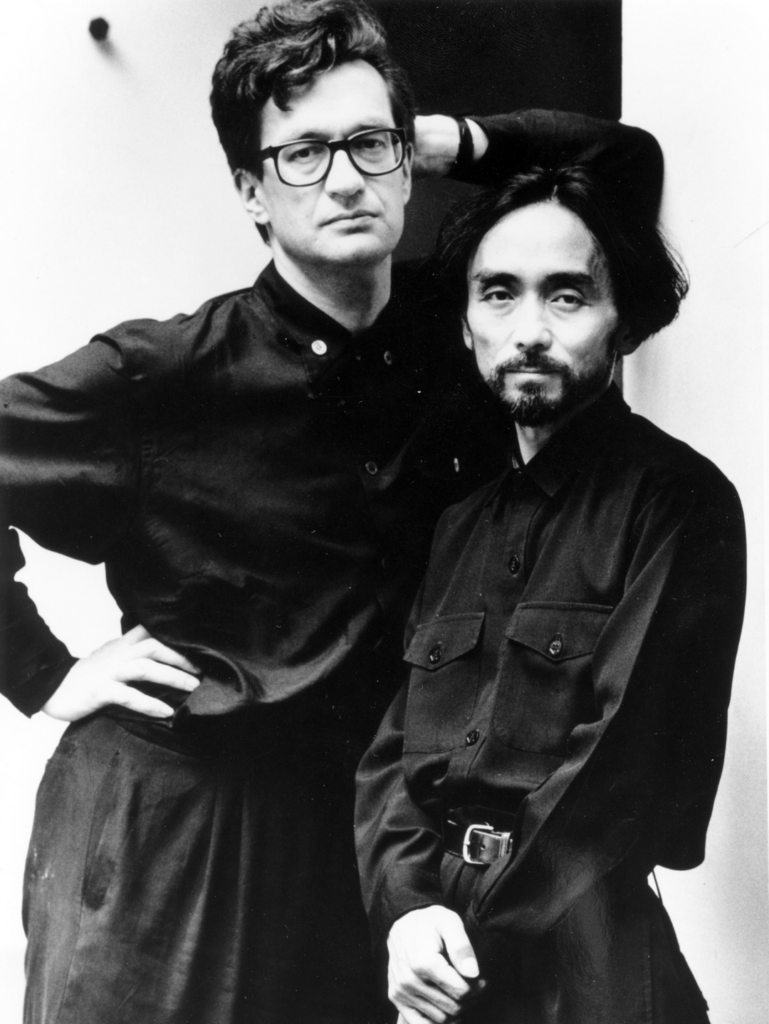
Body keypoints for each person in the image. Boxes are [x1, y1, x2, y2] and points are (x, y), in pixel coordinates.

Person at [0, 1, 664, 1022]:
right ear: (250, 193)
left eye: (367, 145)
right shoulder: (164, 373)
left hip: (371, 837)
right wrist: (42, 672)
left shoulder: (465, 333)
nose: (345, 179)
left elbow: (621, 166)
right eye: (303, 153)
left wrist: (443, 140)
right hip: (180, 831)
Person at [355, 162, 747, 1024]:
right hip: (442, 960)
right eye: (498, 294)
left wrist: (458, 933)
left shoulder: (678, 502)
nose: (528, 329)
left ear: (624, 321)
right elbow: (393, 750)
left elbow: (626, 771)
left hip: (585, 964)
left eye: (566, 296)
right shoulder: (459, 524)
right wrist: (407, 910)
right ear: (465, 323)